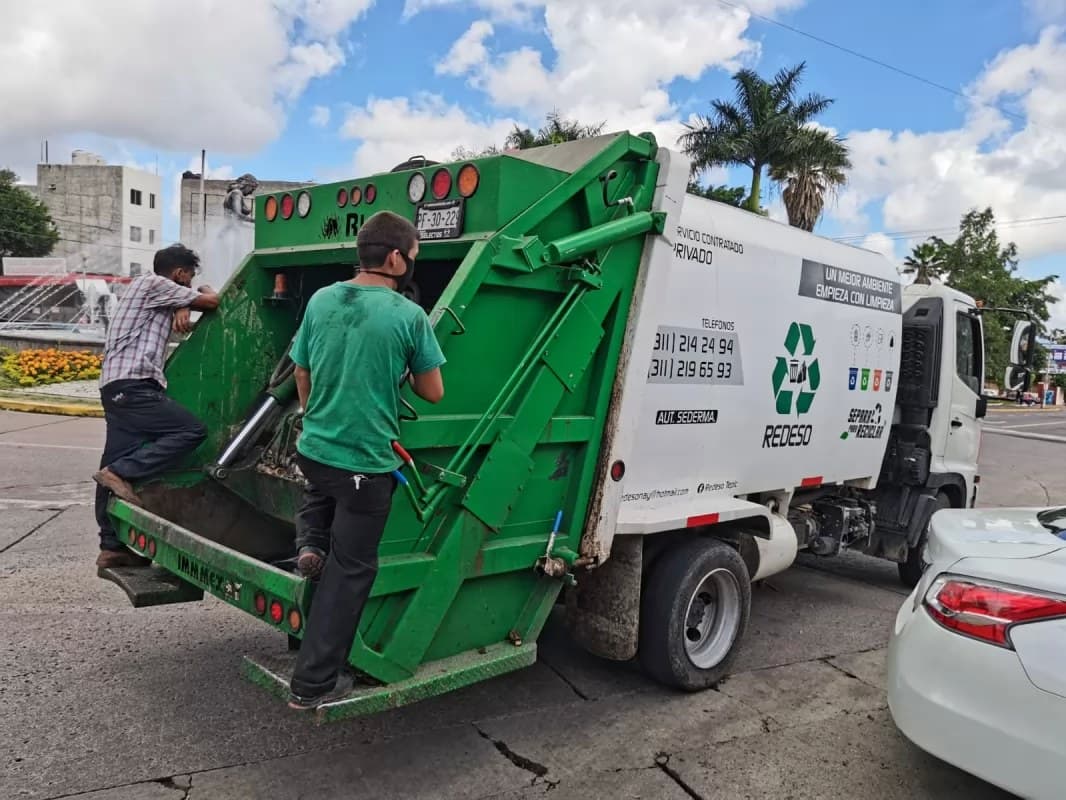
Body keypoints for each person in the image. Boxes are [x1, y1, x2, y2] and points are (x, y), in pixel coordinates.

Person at [286, 210, 446, 710]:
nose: (412, 265)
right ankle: (312, 683)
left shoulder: (320, 298)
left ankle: (310, 542)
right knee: (351, 570)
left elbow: (301, 368)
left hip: (315, 448)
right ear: (396, 258)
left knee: (321, 488)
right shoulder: (408, 316)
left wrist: (314, 412)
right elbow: (434, 392)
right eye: (414, 257)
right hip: (366, 464)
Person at [92, 244, 221, 568]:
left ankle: (111, 548)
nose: (190, 284)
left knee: (113, 458)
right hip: (134, 386)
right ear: (179, 274)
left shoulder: (153, 291)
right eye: (189, 278)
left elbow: (184, 306)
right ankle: (121, 473)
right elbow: (212, 301)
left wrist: (180, 305)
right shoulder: (152, 283)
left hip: (117, 386)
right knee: (190, 430)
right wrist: (196, 293)